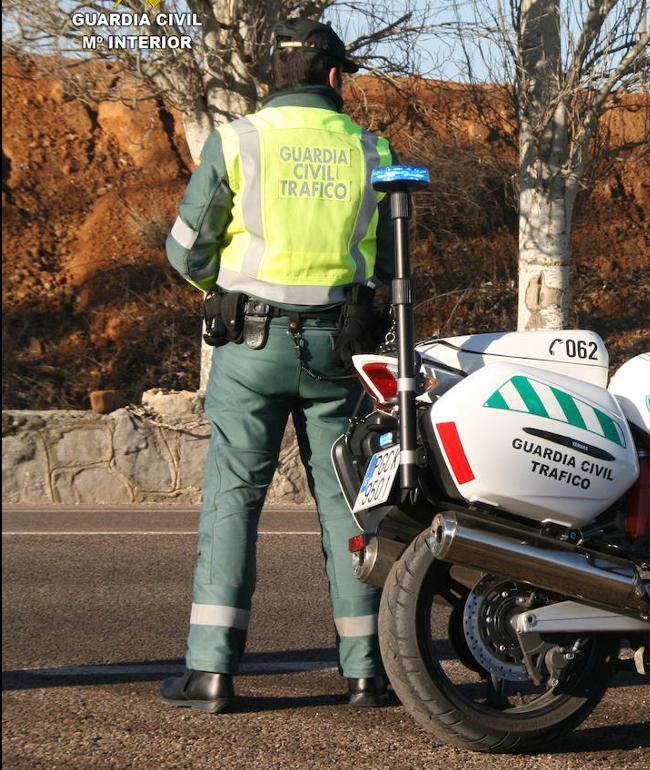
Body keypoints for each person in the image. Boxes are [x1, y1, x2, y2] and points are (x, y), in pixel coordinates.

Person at [159, 18, 396, 713]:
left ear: (275, 75)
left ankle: (211, 674)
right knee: (351, 504)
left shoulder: (238, 141)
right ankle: (365, 672)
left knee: (233, 500)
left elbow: (185, 248)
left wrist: (215, 289)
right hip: (338, 352)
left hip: (250, 346)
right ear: (332, 76)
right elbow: (384, 265)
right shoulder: (371, 149)